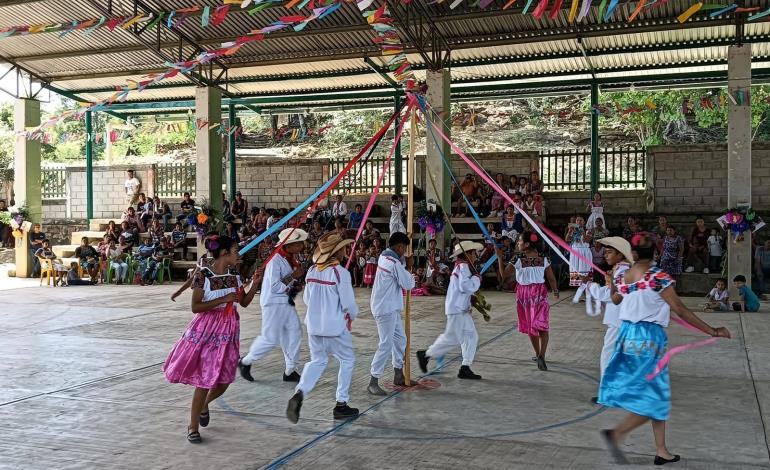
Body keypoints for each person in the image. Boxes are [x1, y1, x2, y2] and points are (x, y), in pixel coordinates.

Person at [599, 233, 730, 465]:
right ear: (656, 252)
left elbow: (616, 300)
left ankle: (661, 449)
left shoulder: (624, 275)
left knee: (654, 393)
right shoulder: (658, 276)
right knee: (656, 398)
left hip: (627, 337)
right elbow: (680, 309)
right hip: (648, 340)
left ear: (634, 253)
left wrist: (611, 282)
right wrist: (712, 330)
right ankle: (617, 433)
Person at [163, 236, 261, 444]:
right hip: (207, 332)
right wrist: (222, 299)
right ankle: (192, 426)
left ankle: (204, 405)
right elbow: (195, 307)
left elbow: (242, 302)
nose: (239, 255)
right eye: (235, 250)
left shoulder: (234, 275)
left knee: (225, 379)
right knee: (204, 380)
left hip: (229, 332)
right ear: (224, 253)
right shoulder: (203, 276)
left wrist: (254, 285)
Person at [286, 233, 359, 423]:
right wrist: (351, 316)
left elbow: (307, 299)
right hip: (335, 327)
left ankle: (300, 393)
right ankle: (341, 404)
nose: (345, 251)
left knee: (317, 361)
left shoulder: (311, 271)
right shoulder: (340, 273)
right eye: (343, 248)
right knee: (348, 360)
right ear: (337, 252)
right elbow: (348, 304)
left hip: (314, 326)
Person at [239, 228, 308, 383]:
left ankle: (290, 370)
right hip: (273, 302)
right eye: (297, 244)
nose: (301, 246)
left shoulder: (289, 259)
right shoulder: (275, 260)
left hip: (284, 301)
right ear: (288, 246)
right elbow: (274, 287)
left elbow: (288, 283)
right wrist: (293, 277)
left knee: (295, 332)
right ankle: (245, 361)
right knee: (270, 338)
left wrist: (295, 282)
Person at [417, 241, 484, 380]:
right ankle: (426, 354)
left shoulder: (461, 266)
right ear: (468, 254)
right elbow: (465, 286)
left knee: (471, 337)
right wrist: (477, 279)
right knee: (452, 338)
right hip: (457, 309)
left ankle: (465, 367)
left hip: (460, 308)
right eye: (473, 253)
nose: (476, 256)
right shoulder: (464, 266)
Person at [497, 232, 559, 371]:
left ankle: (538, 354)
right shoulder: (544, 258)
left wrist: (499, 258)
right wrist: (555, 290)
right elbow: (551, 278)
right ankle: (541, 355)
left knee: (531, 325)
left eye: (519, 241)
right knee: (543, 325)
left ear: (526, 244)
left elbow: (504, 275)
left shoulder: (518, 258)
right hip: (540, 293)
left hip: (525, 295)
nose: (518, 243)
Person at [580, 237, 633, 398]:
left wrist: (589, 285)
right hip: (623, 320)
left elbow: (612, 296)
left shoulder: (622, 271)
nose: (605, 255)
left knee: (608, 355)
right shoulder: (622, 270)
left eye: (609, 252)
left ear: (620, 254)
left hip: (618, 321)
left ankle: (609, 392)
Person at [368, 232, 416, 396]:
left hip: (389, 307)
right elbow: (408, 283)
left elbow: (397, 263)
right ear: (400, 247)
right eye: (404, 248)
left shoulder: (385, 257)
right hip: (385, 308)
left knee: (400, 339)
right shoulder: (394, 263)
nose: (404, 251)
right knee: (386, 343)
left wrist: (404, 263)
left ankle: (398, 374)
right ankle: (373, 381)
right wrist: (409, 267)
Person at [566, 216, 593, 287]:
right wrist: (570, 231)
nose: (579, 222)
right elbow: (567, 240)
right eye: (577, 220)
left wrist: (582, 232)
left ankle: (586, 285)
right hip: (575, 252)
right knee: (576, 269)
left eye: (581, 220)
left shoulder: (588, 230)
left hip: (584, 252)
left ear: (584, 222)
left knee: (585, 270)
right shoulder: (573, 231)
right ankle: (579, 287)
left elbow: (587, 240)